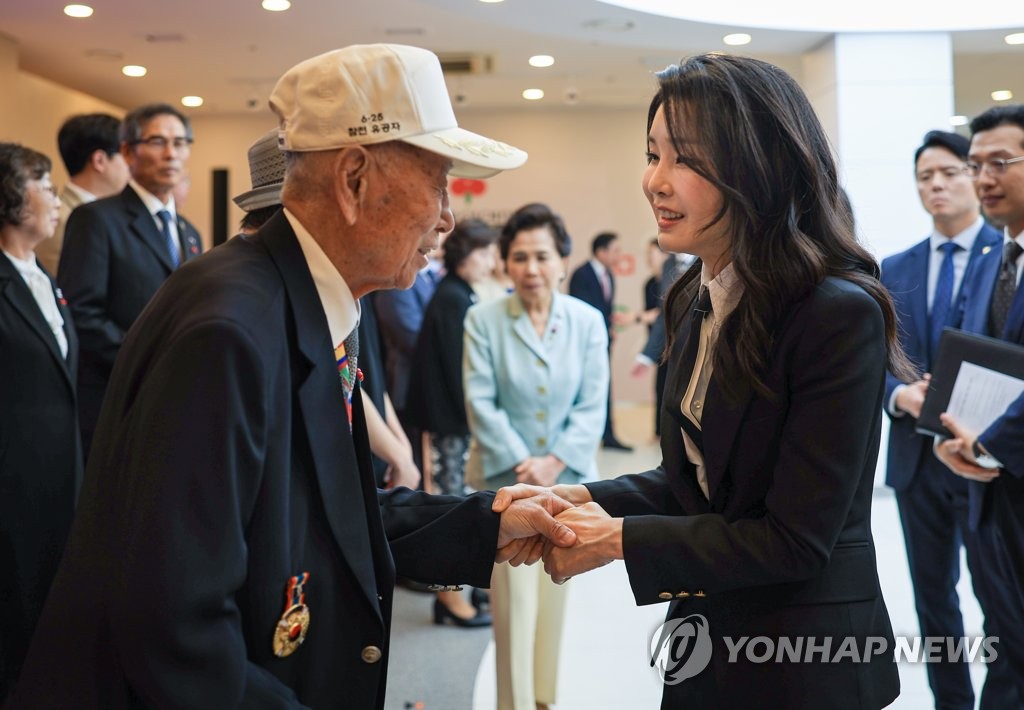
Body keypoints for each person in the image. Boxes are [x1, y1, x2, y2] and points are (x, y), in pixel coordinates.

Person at [10, 44, 576, 709]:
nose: (449, 217)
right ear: (355, 180)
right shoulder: (230, 331)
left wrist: (488, 523)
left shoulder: (312, 305)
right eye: (440, 179)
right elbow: (177, 630)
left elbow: (327, 517)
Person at [530, 53, 910, 708]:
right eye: (652, 154)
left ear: (757, 168)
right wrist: (586, 499)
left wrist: (614, 539)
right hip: (705, 635)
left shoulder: (835, 313)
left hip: (806, 655)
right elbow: (700, 483)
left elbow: (793, 539)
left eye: (685, 159)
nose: (655, 181)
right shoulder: (691, 297)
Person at [880, 130, 1015, 710]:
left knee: (1000, 597)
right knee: (934, 601)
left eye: (949, 172)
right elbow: (872, 362)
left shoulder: (1006, 256)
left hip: (989, 457)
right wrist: (900, 397)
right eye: (923, 177)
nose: (936, 185)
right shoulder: (896, 266)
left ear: (974, 179)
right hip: (917, 460)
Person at [465, 202, 609, 710]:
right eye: (520, 257)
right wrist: (527, 463)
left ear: (562, 261)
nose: (531, 269)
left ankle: (544, 698)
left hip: (568, 484)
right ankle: (514, 704)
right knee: (513, 607)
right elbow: (481, 402)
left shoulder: (588, 321)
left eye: (542, 256)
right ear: (505, 263)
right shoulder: (482, 320)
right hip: (505, 486)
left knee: (555, 594)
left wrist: (555, 461)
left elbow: (594, 403)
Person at [232, 128, 422, 495]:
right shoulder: (266, 299)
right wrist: (397, 453)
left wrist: (400, 446)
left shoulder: (346, 281)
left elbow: (358, 373)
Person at [934, 104, 1024, 697]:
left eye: (1000, 163)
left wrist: (990, 444)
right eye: (976, 164)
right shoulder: (998, 258)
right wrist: (954, 433)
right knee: (1007, 636)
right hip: (991, 485)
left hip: (1004, 461)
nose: (982, 178)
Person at [57, 103, 203, 460]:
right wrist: (148, 362)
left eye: (180, 142)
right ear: (127, 151)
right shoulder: (96, 220)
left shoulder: (188, 232)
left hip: (176, 401)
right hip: (116, 397)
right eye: (157, 141)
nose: (171, 153)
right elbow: (82, 313)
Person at [0, 143, 81, 700]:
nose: (55, 199)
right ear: (10, 196)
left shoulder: (46, 278)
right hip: (10, 479)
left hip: (59, 473)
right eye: (45, 185)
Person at [406, 218, 499, 628]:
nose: (489, 262)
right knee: (450, 508)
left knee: (458, 501)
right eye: (484, 253)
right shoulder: (452, 297)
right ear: (465, 254)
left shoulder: (457, 294)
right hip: (449, 422)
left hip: (453, 421)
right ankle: (449, 600)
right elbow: (459, 371)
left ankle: (462, 593)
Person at [37, 113, 128, 274]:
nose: (132, 167)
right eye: (126, 156)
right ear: (99, 161)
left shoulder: (117, 216)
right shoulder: (58, 219)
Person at [568, 231, 632, 451]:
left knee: (605, 386)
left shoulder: (609, 275)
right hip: (583, 345)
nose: (618, 255)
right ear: (600, 252)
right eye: (615, 250)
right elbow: (583, 312)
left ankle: (609, 435)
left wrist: (610, 327)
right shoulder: (581, 275)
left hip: (603, 342)